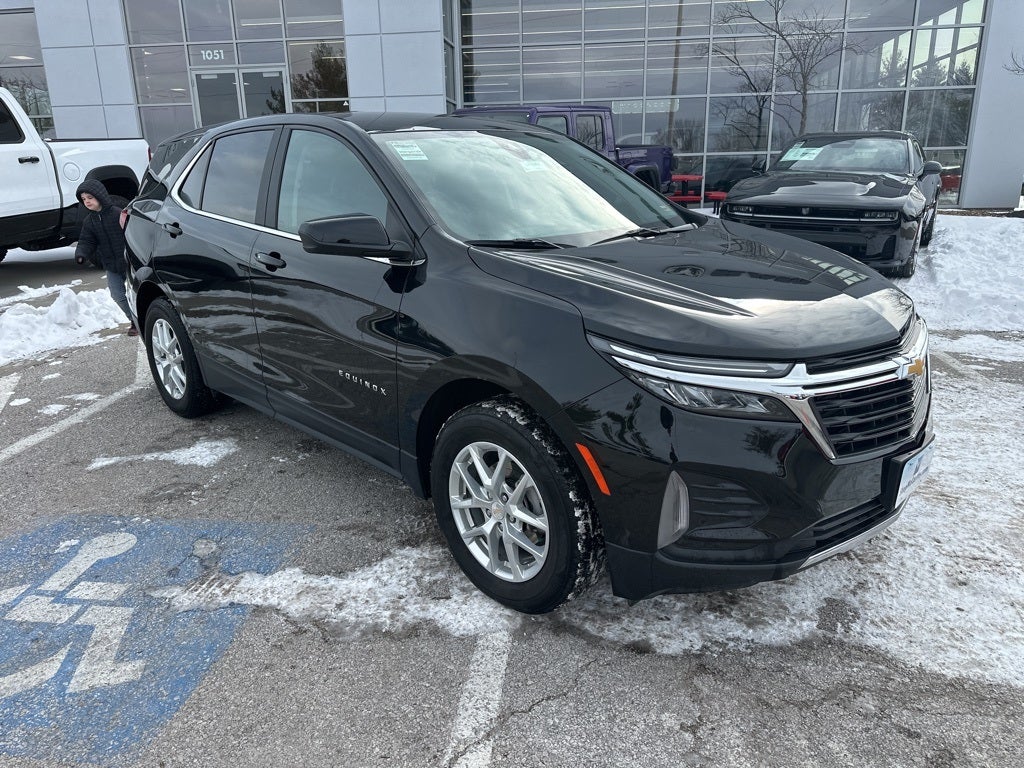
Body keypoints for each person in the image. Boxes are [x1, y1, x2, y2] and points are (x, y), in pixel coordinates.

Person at [74, 180, 138, 336]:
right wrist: (81, 254)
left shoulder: (118, 214)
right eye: (84, 199)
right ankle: (134, 321)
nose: (87, 201)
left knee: (137, 293)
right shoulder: (90, 221)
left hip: (128, 262)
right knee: (117, 294)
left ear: (100, 196)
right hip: (111, 265)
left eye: (90, 197)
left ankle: (142, 318)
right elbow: (86, 240)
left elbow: (132, 233)